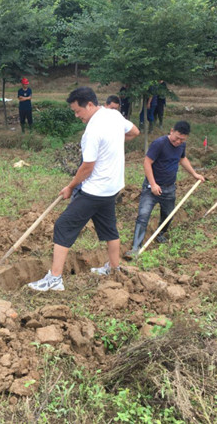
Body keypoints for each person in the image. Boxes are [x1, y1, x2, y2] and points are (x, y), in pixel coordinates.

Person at [28, 87, 140, 292]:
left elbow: (87, 166)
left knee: (63, 225)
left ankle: (54, 279)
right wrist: (113, 142)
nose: (76, 115)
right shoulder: (114, 115)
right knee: (109, 228)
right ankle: (115, 268)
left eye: (77, 111)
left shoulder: (93, 131)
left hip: (95, 190)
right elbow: (134, 132)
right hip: (112, 187)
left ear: (89, 104)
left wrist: (70, 186)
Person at [126, 121, 205, 257]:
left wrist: (194, 174)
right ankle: (135, 247)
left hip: (169, 188)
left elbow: (182, 159)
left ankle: (160, 234)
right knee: (143, 215)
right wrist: (153, 184)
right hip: (151, 188)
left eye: (182, 139)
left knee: (168, 214)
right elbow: (147, 163)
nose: (179, 141)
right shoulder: (159, 143)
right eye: (177, 137)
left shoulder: (182, 145)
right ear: (171, 130)